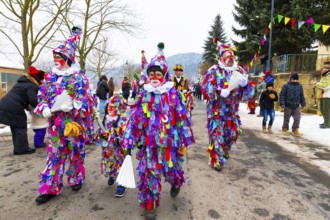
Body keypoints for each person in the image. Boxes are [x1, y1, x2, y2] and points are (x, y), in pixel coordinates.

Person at [122, 43, 195, 220]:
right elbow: (136, 118)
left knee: (172, 170)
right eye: (151, 74)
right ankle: (150, 205)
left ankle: (176, 183)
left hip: (170, 142)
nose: (154, 77)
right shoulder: (143, 94)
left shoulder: (173, 94)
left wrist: (185, 140)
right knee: (149, 173)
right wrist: (129, 138)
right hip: (150, 145)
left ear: (164, 76)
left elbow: (182, 118)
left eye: (158, 74)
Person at [34, 26, 94, 204]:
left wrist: (74, 105)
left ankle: (76, 178)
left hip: (74, 124)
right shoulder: (50, 77)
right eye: (54, 57)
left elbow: (88, 101)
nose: (55, 60)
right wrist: (43, 108)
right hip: (55, 125)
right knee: (54, 155)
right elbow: (41, 97)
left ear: (68, 58)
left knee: (75, 152)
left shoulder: (79, 78)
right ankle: (51, 188)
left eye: (58, 57)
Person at [201, 37, 253, 172]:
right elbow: (205, 87)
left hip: (232, 111)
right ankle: (216, 160)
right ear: (221, 57)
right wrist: (218, 91)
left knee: (232, 134)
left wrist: (246, 85)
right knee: (217, 135)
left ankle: (225, 148)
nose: (230, 58)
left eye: (232, 55)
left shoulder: (240, 71)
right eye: (227, 56)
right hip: (216, 110)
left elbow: (249, 94)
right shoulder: (213, 70)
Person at [0, 66, 45, 155]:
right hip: (13, 107)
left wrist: (27, 107)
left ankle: (18, 149)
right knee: (21, 126)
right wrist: (43, 108)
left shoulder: (23, 82)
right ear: (38, 78)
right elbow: (32, 100)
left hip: (6, 104)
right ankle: (22, 149)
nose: (42, 81)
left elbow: (22, 97)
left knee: (15, 127)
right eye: (42, 79)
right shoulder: (31, 85)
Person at [95, 94, 129, 197]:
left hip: (118, 152)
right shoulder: (106, 119)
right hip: (107, 151)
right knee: (110, 164)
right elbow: (98, 135)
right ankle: (112, 176)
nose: (110, 108)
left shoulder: (123, 121)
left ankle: (122, 185)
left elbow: (126, 138)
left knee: (119, 165)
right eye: (109, 105)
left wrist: (119, 141)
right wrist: (101, 135)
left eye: (114, 106)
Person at [314, 64, 330, 128]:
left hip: (327, 95)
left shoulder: (328, 76)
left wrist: (316, 83)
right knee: (322, 110)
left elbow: (325, 86)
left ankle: (327, 124)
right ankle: (326, 122)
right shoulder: (324, 76)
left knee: (326, 110)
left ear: (327, 70)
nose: (322, 70)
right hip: (323, 95)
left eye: (323, 69)